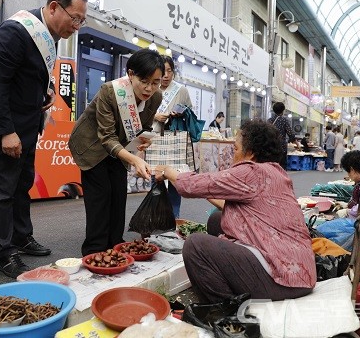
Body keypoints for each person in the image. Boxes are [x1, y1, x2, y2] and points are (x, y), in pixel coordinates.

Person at [0, 0, 88, 278]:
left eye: (81, 21)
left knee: (22, 184)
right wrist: (5, 132)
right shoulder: (15, 31)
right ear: (53, 8)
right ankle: (4, 253)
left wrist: (45, 93)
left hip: (27, 124)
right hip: (3, 126)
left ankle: (22, 237)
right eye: (74, 18)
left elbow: (32, 76)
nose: (76, 26)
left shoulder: (51, 35)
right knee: (1, 192)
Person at [154, 119, 316, 303]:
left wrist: (168, 171)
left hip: (283, 280)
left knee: (195, 245)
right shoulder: (275, 173)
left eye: (236, 149)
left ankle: (225, 308)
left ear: (251, 154)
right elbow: (227, 201)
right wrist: (207, 190)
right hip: (301, 273)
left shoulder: (251, 172)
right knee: (216, 220)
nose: (233, 154)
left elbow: (193, 184)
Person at [69, 49, 164, 256]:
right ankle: (94, 250)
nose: (149, 88)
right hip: (92, 146)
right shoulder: (110, 91)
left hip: (121, 148)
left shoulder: (156, 97)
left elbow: (143, 128)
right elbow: (106, 137)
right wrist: (133, 159)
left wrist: (142, 148)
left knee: (118, 196)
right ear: (131, 74)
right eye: (144, 81)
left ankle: (115, 245)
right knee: (100, 197)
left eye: (155, 82)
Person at [152, 55, 192, 218]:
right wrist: (156, 116)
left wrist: (179, 113)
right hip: (154, 139)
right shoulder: (152, 87)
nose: (166, 75)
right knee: (156, 179)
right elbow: (140, 111)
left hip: (175, 139)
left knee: (175, 180)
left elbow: (189, 111)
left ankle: (174, 218)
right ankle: (154, 216)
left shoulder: (181, 90)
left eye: (170, 71)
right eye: (163, 71)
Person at [268, 102, 297, 169]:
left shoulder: (269, 120)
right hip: (281, 147)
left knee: (271, 167)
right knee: (281, 167)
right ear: (283, 110)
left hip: (270, 147)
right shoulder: (284, 120)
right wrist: (297, 144)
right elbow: (291, 134)